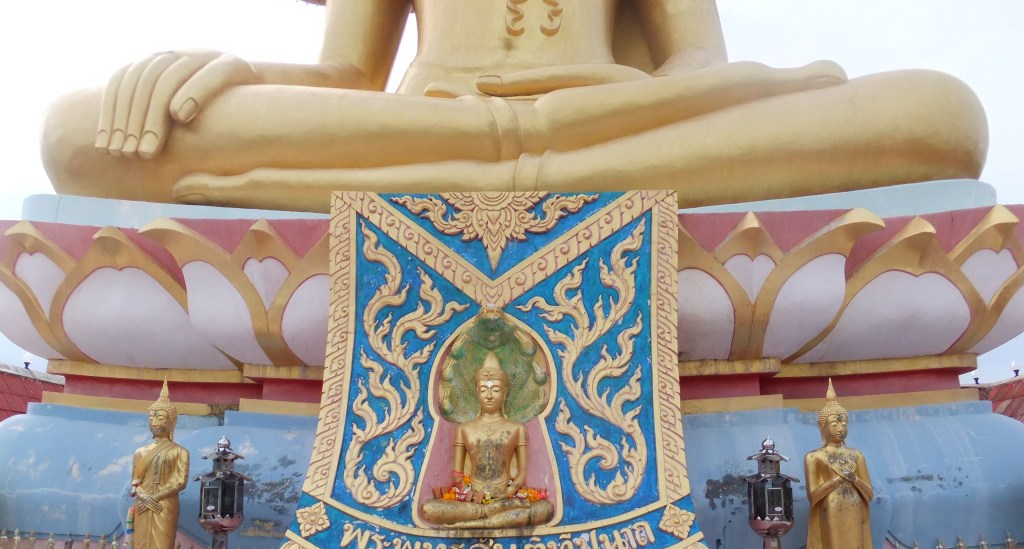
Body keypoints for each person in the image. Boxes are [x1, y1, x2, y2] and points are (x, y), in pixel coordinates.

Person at [41, 0, 988, 213]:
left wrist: (624, 97)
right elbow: (345, 86)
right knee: (78, 135)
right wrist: (231, 69)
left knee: (941, 115)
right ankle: (535, 162)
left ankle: (513, 161)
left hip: (621, 118)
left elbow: (703, 67)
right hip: (425, 122)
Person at [422, 352, 554, 528]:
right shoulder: (464, 429)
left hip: (505, 497)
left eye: (496, 390)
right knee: (429, 509)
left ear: (505, 392)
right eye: (484, 390)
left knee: (545, 509)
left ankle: (478, 520)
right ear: (477, 392)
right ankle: (487, 515)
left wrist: (509, 491)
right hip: (472, 499)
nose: (489, 395)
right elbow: (457, 473)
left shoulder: (516, 428)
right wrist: (467, 492)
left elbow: (521, 473)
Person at [804, 381, 877, 549]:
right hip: (831, 513)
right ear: (822, 427)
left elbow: (869, 492)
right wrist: (837, 478)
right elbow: (813, 494)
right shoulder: (815, 457)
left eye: (843, 422)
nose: (840, 428)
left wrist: (854, 478)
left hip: (855, 510)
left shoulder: (856, 456)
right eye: (834, 423)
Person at [119, 382, 190, 549]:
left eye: (159, 417)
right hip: (143, 504)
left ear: (171, 421)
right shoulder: (140, 452)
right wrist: (143, 495)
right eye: (151, 417)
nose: (154, 421)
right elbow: (135, 481)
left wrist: (156, 496)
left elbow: (180, 480)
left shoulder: (179, 451)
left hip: (165, 506)